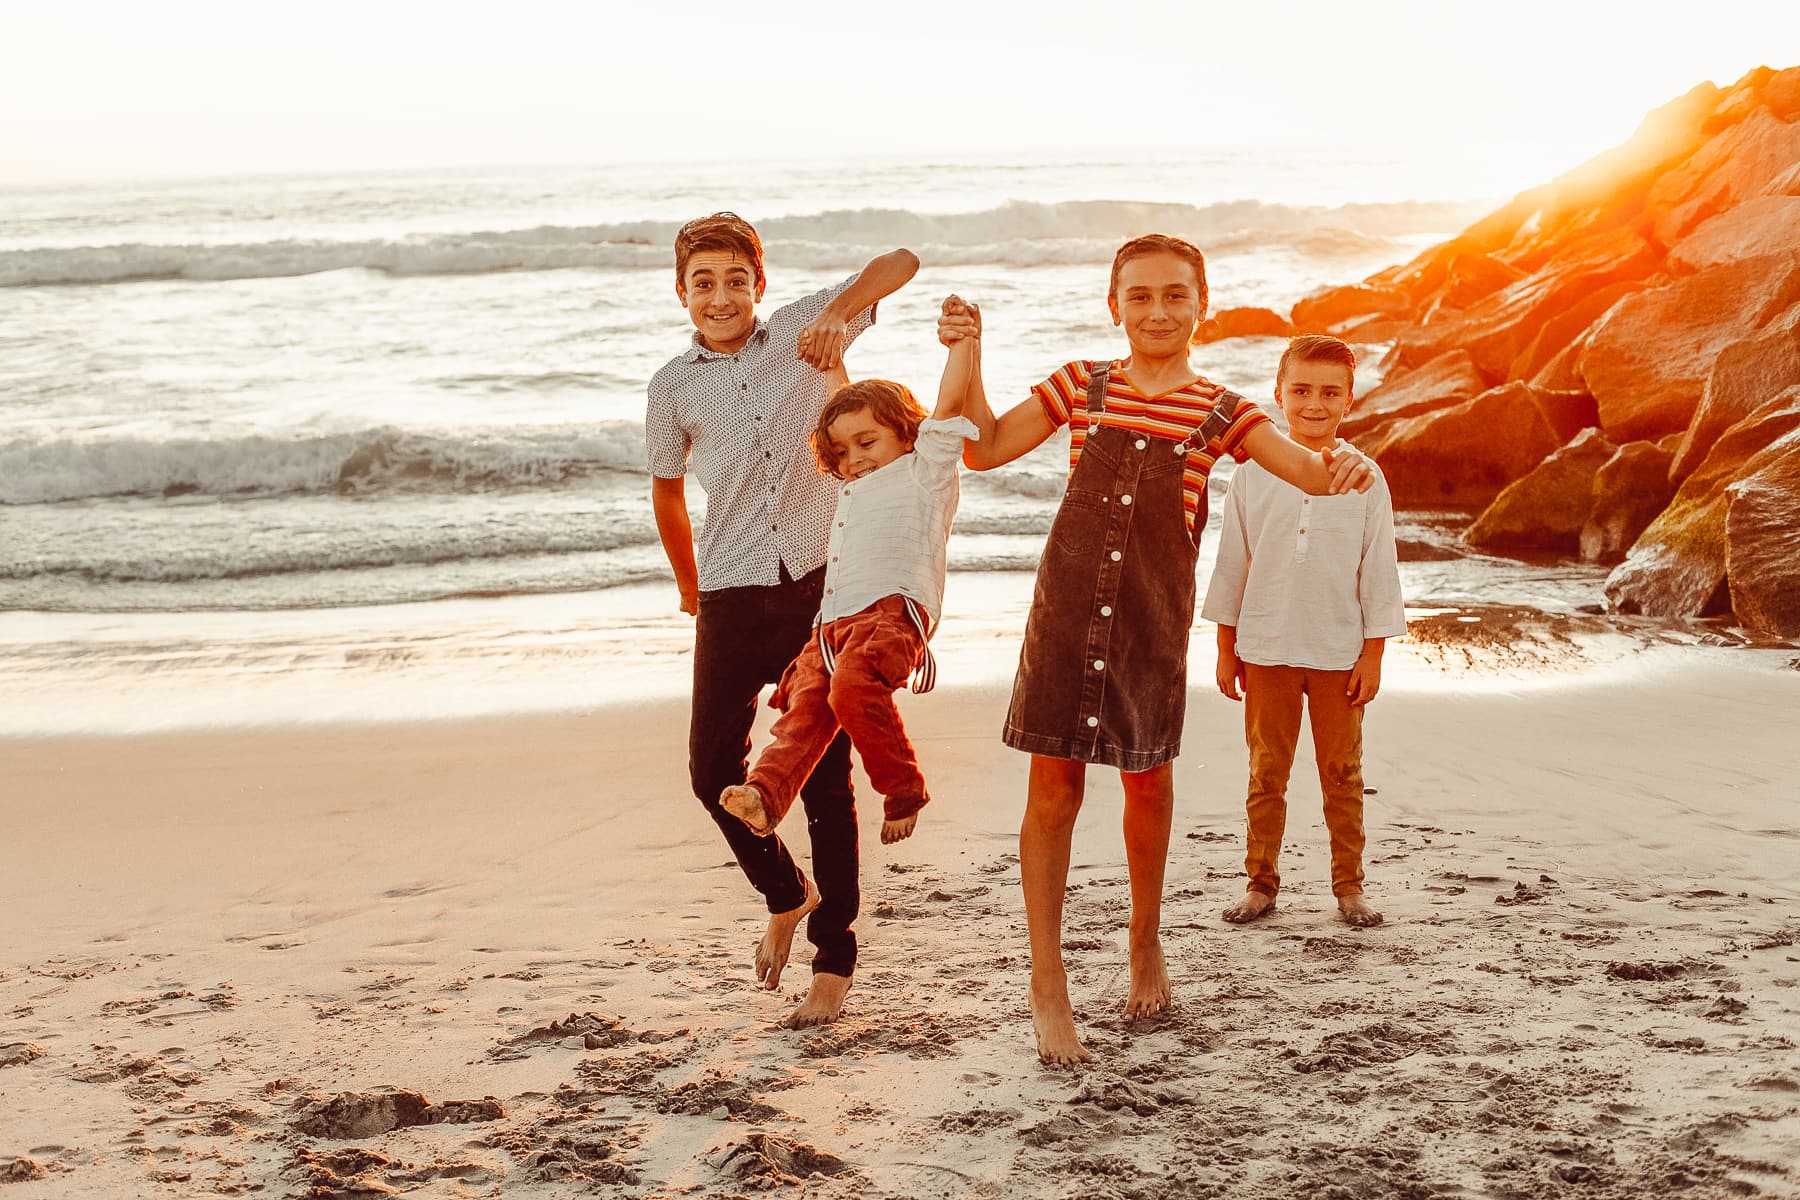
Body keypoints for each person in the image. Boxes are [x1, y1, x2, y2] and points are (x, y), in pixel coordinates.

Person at [940, 234, 1372, 1065]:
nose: (1158, 311)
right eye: (1140, 296)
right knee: (1054, 787)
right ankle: (1048, 980)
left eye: (1176, 295)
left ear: (1201, 305)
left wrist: (1344, 458)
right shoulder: (1082, 384)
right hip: (1067, 613)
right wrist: (969, 350)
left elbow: (1310, 472)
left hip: (1149, 617)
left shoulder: (1223, 411)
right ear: (1114, 306)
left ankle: (1144, 940)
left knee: (1148, 781)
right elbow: (984, 445)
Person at [645, 212, 919, 1028]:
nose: (721, 296)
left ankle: (835, 959)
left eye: (736, 280)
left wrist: (843, 312)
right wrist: (691, 587)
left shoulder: (802, 329)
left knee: (827, 785)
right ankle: (785, 891)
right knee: (708, 774)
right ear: (682, 293)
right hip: (731, 590)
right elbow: (665, 489)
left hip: (820, 590)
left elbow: (900, 258)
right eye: (704, 283)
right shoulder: (672, 385)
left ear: (760, 286)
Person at [723, 295, 981, 888]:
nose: (854, 459)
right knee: (805, 709)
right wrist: (831, 359)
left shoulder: (925, 470)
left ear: (905, 436)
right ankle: (764, 796)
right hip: (831, 623)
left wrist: (962, 343)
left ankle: (903, 789)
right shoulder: (851, 482)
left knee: (853, 690)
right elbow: (841, 400)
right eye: (840, 452)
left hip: (891, 615)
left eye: (868, 444)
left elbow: (945, 408)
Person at [1201, 334, 1405, 930]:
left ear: (1349, 401)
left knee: (1342, 773)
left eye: (1329, 392)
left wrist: (1374, 655)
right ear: (1278, 395)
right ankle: (1260, 884)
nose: (1314, 404)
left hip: (1339, 650)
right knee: (1267, 772)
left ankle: (1350, 888)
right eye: (1301, 390)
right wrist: (1224, 647)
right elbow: (1232, 563)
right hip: (1265, 647)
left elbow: (1379, 571)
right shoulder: (1251, 474)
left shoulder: (1366, 478)